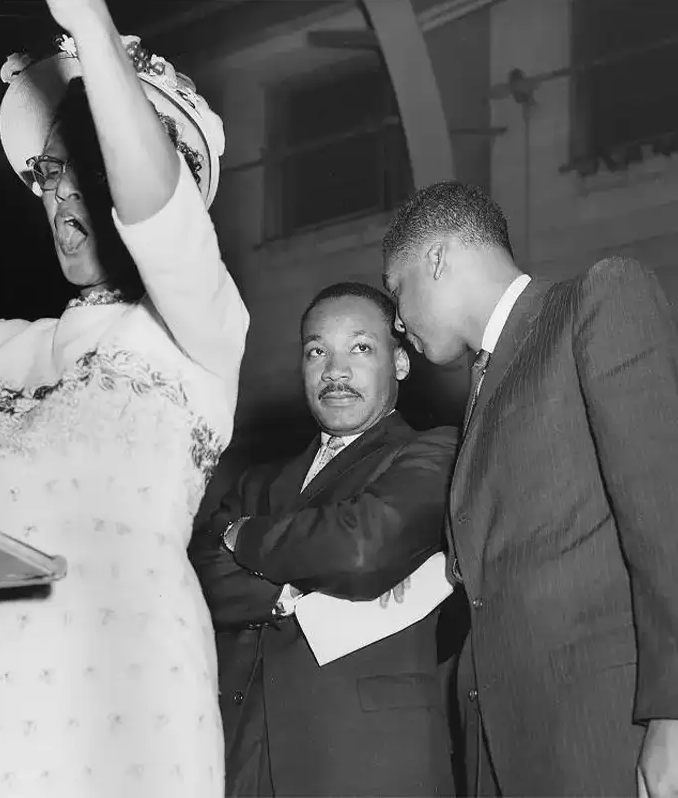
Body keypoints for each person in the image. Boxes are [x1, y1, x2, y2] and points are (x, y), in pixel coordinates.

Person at [0, 0, 249, 794]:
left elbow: (158, 217)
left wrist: (87, 22)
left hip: (130, 695)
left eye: (91, 167)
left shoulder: (205, 329)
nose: (63, 195)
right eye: (51, 173)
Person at [382, 181, 678, 797]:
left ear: (435, 258)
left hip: (602, 731)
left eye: (395, 290)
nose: (396, 322)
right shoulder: (482, 387)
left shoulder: (595, 299)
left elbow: (665, 515)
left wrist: (673, 717)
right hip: (505, 746)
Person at [191, 282, 458, 797]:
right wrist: (285, 595)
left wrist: (241, 536)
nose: (335, 370)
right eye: (317, 351)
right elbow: (198, 579)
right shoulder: (256, 481)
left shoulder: (432, 453)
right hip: (240, 760)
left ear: (400, 363)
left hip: (364, 761)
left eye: (360, 348)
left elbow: (362, 548)